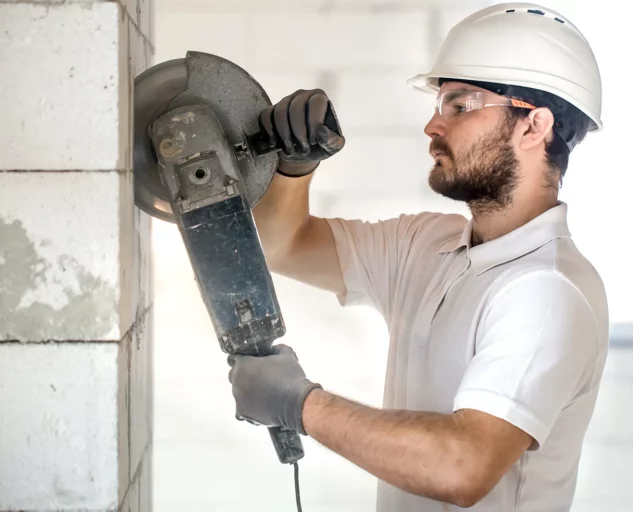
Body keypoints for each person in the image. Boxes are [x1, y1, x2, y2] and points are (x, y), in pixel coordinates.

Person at [227, 3, 610, 510]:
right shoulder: (426, 245)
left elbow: (463, 466)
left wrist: (299, 404)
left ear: (533, 126)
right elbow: (285, 245)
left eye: (460, 105)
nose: (433, 125)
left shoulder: (547, 291)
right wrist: (294, 167)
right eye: (439, 105)